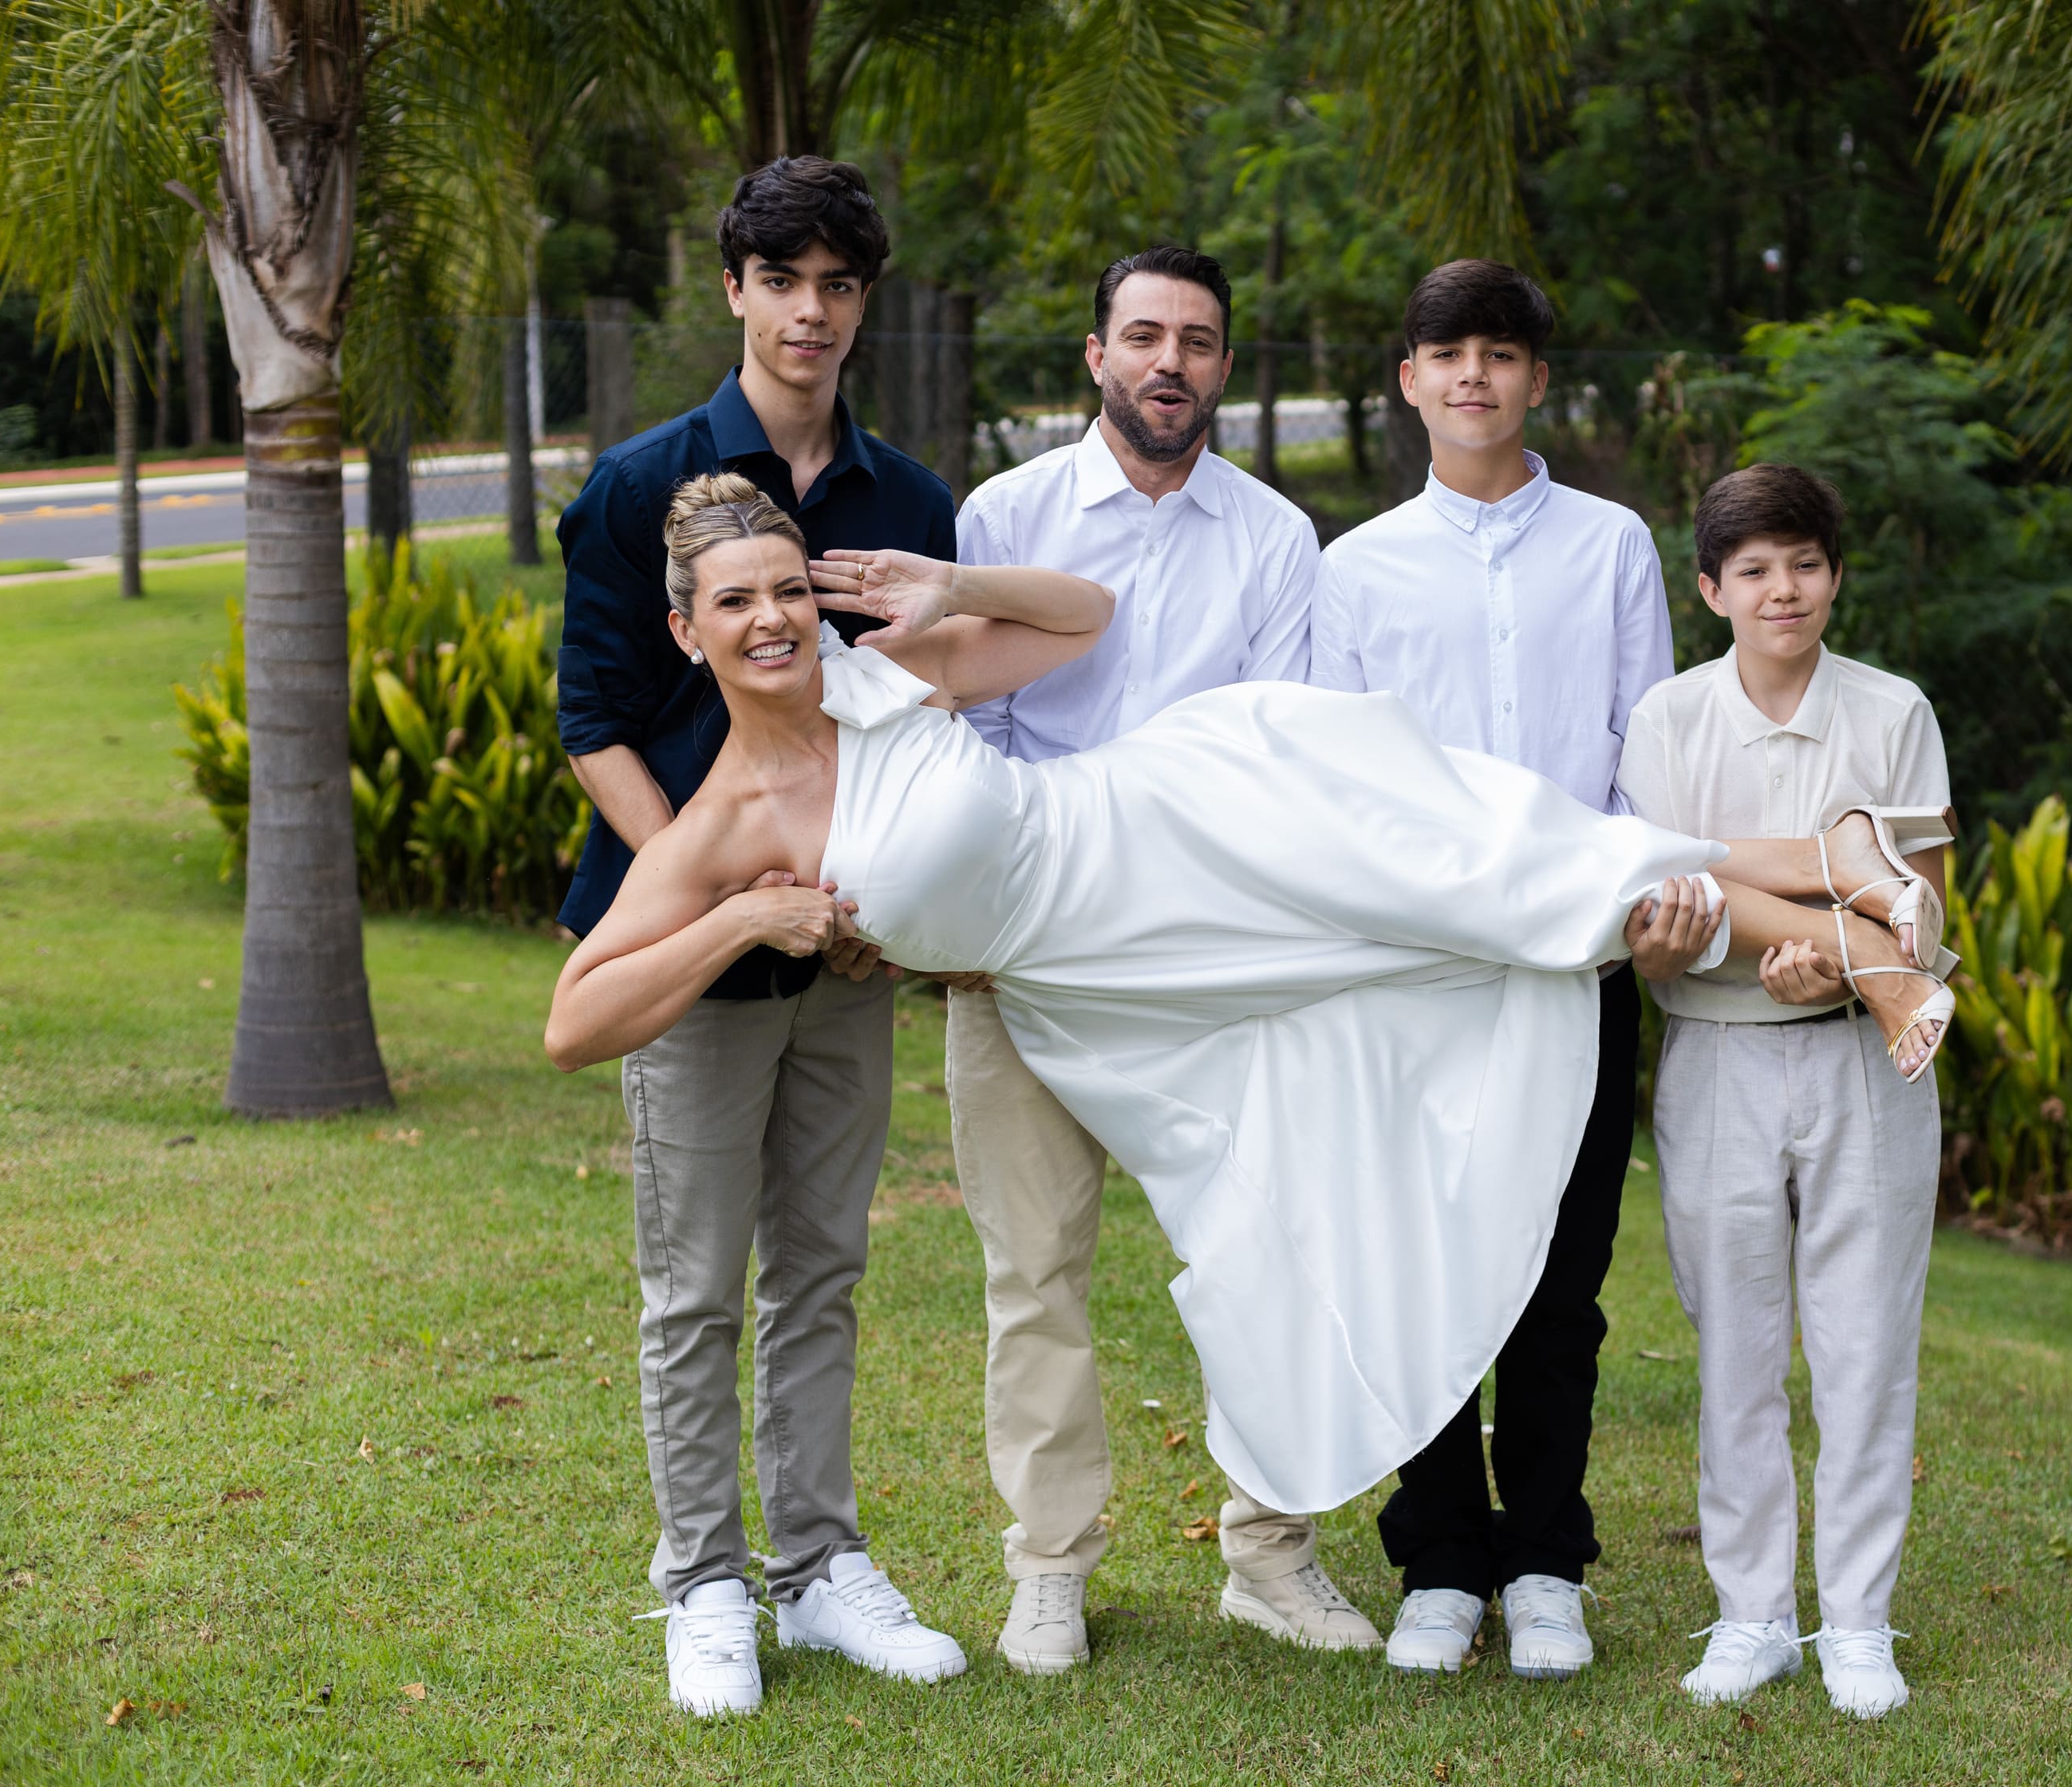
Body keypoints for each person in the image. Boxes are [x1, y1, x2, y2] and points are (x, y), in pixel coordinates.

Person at [543, 476, 1766, 1669]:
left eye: (785, 592)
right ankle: (1055, 1575)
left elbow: (1086, 615)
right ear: (687, 634)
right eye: (736, 604)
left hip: (1165, 867)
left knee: (1445, 918)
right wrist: (743, 923)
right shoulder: (722, 825)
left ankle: (1828, 907)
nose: (770, 621)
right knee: (1073, 1263)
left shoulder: (892, 673)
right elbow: (575, 1020)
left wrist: (948, 581)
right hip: (1065, 993)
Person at [551, 156, 961, 1718]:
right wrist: (717, 906)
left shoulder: (908, 501)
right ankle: (704, 1583)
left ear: (864, 300)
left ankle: (820, 1567)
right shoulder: (642, 478)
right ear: (734, 290)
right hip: (691, 948)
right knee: (695, 1286)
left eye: (837, 283)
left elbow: (922, 724)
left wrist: (882, 907)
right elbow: (595, 719)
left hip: (847, 957)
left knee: (825, 1270)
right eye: (780, 279)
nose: (810, 310)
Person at [942, 247, 1376, 1672]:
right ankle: (1051, 1566)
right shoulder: (1004, 515)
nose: (1169, 362)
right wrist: (990, 925)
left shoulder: (1274, 538)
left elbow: (1277, 753)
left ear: (1225, 370)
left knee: (1262, 1255)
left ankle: (1270, 1550)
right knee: (1036, 1272)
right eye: (1144, 335)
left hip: (1209, 956)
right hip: (1029, 946)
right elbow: (971, 743)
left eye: (1197, 340)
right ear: (1096, 357)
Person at [1306, 258, 1672, 1682]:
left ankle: (1547, 1561)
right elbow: (1342, 783)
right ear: (1409, 380)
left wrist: (1625, 896)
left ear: (1535, 380)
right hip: (1425, 974)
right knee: (1428, 1268)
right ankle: (1443, 1560)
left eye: (1502, 354)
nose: (1475, 376)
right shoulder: (1360, 568)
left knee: (1561, 1281)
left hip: (1578, 962)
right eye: (1447, 353)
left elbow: (1641, 742)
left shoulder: (1612, 544)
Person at [1614, 464, 1956, 1720]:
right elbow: (1657, 925)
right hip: (1717, 1058)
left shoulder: (1892, 709)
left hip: (1871, 1067)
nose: (1782, 589)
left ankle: (1858, 1622)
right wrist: (1791, 933)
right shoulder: (1666, 719)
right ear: (1709, 588)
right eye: (1752, 569)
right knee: (1736, 1354)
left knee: (1867, 1349)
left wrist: (1835, 968)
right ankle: (1752, 1613)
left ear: (1834, 574)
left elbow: (1923, 914)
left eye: (1803, 563)